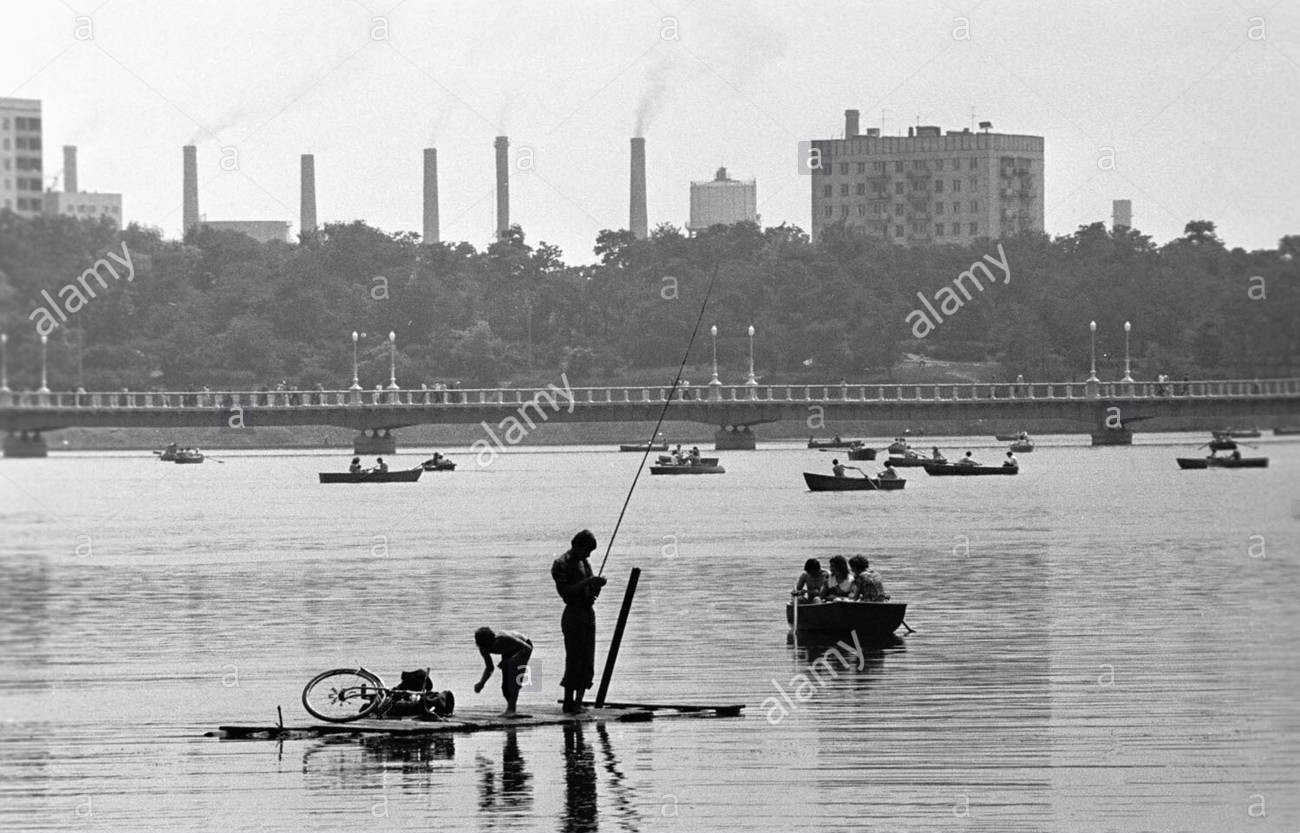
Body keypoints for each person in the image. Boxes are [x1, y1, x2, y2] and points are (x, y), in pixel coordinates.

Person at [551, 529, 607, 714]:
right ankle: (569, 701)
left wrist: (596, 586)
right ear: (577, 546)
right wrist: (588, 582)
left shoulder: (585, 562)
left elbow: (590, 590)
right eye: (587, 550)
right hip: (573, 613)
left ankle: (579, 702)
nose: (589, 555)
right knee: (574, 658)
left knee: (587, 658)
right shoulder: (561, 564)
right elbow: (566, 592)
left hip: (587, 612)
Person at [474, 627, 534, 717]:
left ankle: (511, 710)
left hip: (523, 647)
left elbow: (528, 648)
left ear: (494, 640)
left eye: (490, 646)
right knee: (505, 687)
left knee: (514, 680)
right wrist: (482, 682)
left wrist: (510, 661)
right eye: (486, 647)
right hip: (508, 651)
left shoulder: (504, 638)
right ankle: (511, 708)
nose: (489, 649)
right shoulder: (483, 648)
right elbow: (490, 668)